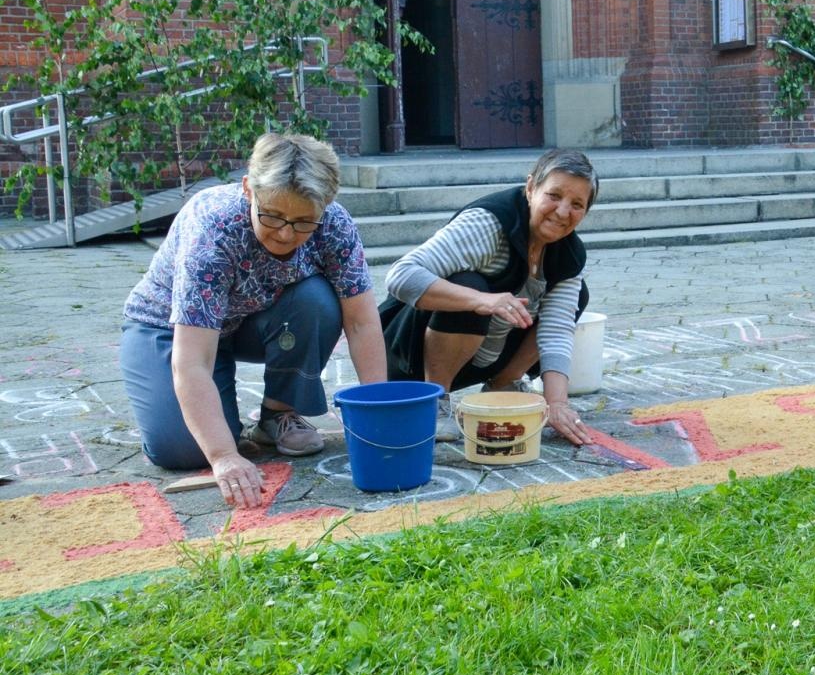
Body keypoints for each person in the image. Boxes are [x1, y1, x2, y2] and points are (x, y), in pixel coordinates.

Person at [119, 133, 388, 509]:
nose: (286, 233)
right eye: (273, 216)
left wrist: (382, 412)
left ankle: (276, 415)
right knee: (184, 452)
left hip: (251, 322)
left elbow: (361, 322)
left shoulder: (334, 225)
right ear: (248, 189)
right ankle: (212, 417)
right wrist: (223, 455)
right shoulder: (213, 229)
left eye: (303, 222)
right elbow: (193, 361)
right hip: (168, 329)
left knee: (317, 300)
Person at [380, 148, 597, 447]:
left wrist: (557, 402)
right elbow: (400, 276)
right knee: (470, 285)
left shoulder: (569, 254)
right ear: (531, 187)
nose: (562, 212)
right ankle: (434, 400)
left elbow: (556, 330)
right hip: (408, 354)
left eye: (577, 204)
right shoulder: (489, 223)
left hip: (484, 355)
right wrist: (480, 300)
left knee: (577, 295)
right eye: (554, 195)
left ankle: (502, 386)